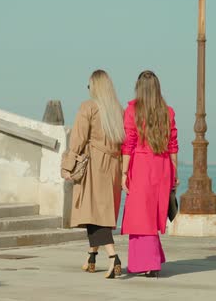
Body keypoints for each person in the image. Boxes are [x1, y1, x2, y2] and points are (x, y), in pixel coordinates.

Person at [61, 69, 125, 279]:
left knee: (94, 213)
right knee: (101, 211)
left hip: (95, 164)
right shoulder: (118, 110)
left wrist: (68, 166)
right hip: (113, 165)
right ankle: (91, 257)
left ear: (94, 87)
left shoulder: (88, 107)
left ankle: (113, 257)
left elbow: (78, 139)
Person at [120, 70, 179, 278]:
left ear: (139, 87)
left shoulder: (132, 110)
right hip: (162, 166)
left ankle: (149, 263)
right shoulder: (168, 112)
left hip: (141, 165)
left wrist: (123, 172)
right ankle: (150, 259)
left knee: (141, 217)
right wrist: (174, 173)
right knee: (152, 215)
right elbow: (173, 145)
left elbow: (129, 143)